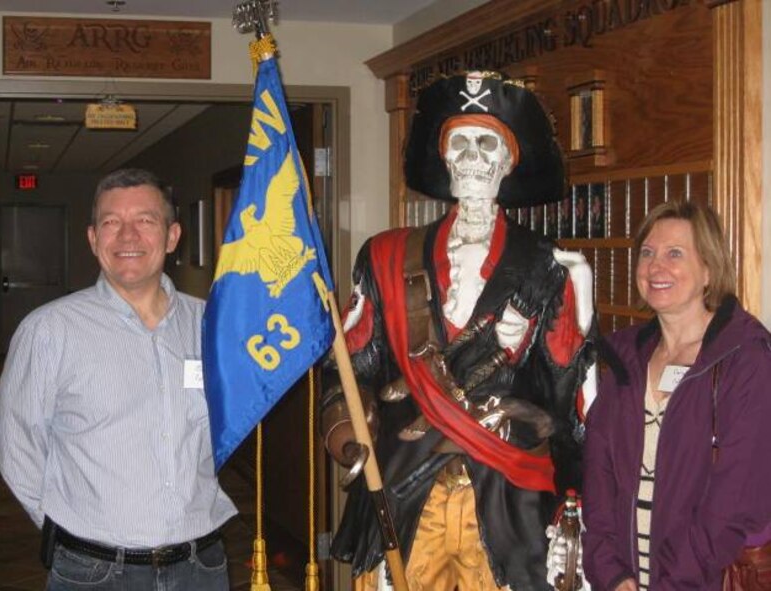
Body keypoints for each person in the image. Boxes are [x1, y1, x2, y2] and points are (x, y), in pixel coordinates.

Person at [321, 72, 597, 590]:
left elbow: (565, 395)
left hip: (509, 491)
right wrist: (348, 436)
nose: (472, 157)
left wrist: (574, 318)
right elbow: (348, 364)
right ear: (445, 158)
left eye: (487, 143)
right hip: (403, 483)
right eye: (459, 143)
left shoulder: (547, 264)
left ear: (508, 162)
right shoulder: (384, 256)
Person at [0, 168, 237, 591]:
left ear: (173, 235)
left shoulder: (211, 326)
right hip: (95, 573)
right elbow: (18, 448)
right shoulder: (49, 331)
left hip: (200, 568)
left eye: (145, 221)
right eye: (111, 223)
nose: (128, 237)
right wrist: (72, 532)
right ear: (93, 239)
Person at [582, 200, 771, 590]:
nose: (656, 267)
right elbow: (598, 477)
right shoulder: (624, 361)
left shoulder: (745, 359)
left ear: (708, 269)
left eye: (675, 254)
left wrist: (675, 584)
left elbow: (735, 502)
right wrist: (611, 573)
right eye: (647, 253)